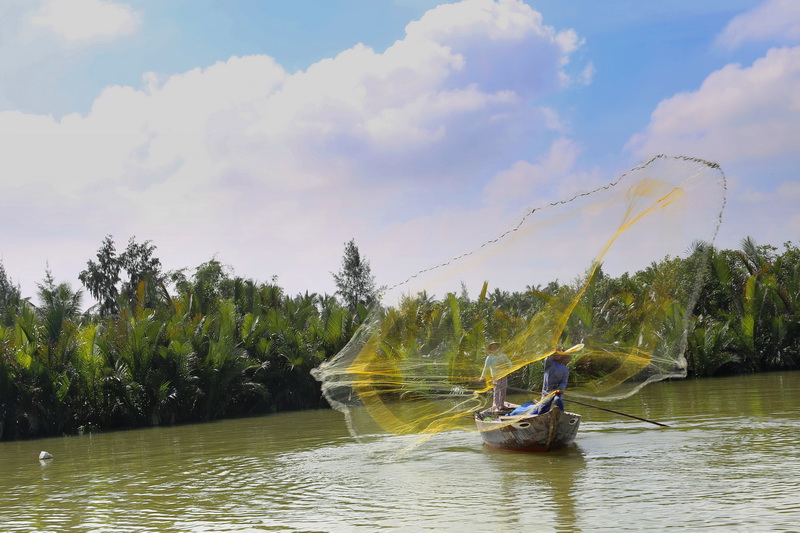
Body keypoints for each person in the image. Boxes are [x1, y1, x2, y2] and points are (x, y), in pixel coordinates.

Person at [479, 341, 513, 412]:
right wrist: (482, 376)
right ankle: (496, 407)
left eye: (495, 347)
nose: (494, 348)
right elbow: (486, 367)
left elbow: (508, 362)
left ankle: (502, 404)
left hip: (503, 375)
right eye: (492, 347)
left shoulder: (502, 355)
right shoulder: (490, 357)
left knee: (503, 390)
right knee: (497, 391)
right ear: (490, 349)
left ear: (498, 347)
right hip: (496, 377)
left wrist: (511, 368)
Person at [539, 344, 571, 413]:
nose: (557, 355)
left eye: (559, 354)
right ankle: (541, 416)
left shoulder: (565, 369)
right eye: (556, 354)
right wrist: (555, 350)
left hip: (558, 391)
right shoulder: (549, 364)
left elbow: (563, 382)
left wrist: (560, 389)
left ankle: (561, 414)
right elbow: (548, 358)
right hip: (547, 391)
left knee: (558, 400)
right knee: (543, 407)